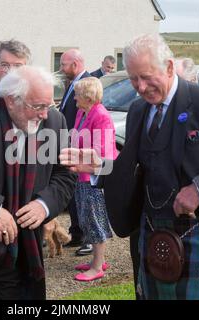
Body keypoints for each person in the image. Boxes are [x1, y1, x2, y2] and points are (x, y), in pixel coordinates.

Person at [60, 34, 199, 300]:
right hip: (152, 231)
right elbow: (138, 170)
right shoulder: (138, 111)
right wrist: (100, 166)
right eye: (133, 79)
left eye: (146, 77)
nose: (140, 87)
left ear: (168, 67)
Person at [0, 66, 76, 300]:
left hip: (30, 248)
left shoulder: (54, 120)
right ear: (10, 100)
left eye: (48, 105)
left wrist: (44, 205)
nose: (44, 114)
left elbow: (65, 174)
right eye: (37, 106)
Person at [71, 77, 117, 281]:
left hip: (94, 178)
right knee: (86, 218)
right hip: (81, 174)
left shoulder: (101, 116)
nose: (74, 98)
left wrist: (76, 159)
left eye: (77, 94)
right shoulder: (83, 112)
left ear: (88, 97)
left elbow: (101, 154)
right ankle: (96, 261)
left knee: (95, 219)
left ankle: (97, 267)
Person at [58, 49, 92, 256]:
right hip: (68, 144)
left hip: (78, 147)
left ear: (76, 64)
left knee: (83, 195)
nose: (61, 69)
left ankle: (87, 236)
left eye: (63, 64)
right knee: (72, 192)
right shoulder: (72, 84)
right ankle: (76, 231)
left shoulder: (87, 83)